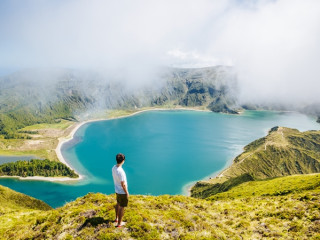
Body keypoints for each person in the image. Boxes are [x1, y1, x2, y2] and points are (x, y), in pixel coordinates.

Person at [112, 153, 129, 228]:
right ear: (123, 160)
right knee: (122, 207)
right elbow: (123, 184)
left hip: (117, 190)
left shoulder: (114, 168)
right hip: (122, 192)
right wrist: (127, 193)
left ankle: (116, 218)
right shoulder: (121, 171)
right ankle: (119, 224)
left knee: (118, 204)